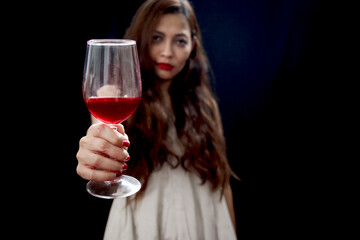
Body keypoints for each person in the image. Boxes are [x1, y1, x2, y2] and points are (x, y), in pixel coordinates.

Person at [76, 0, 237, 239]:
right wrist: (93, 157)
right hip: (145, 224)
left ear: (193, 45)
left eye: (180, 41)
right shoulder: (114, 96)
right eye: (157, 38)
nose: (168, 51)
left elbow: (222, 182)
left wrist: (230, 230)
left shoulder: (206, 106)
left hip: (206, 219)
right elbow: (99, 139)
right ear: (142, 39)